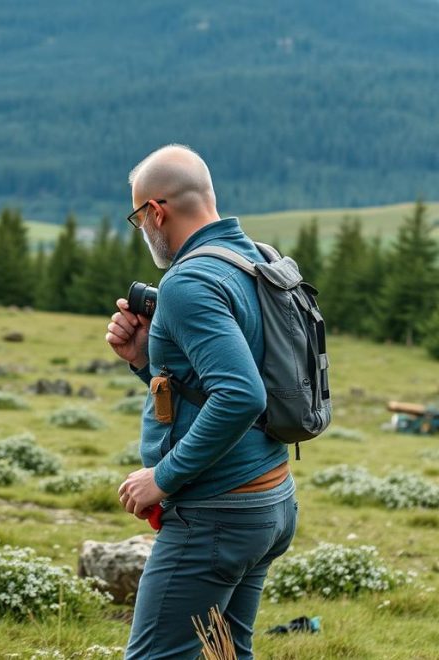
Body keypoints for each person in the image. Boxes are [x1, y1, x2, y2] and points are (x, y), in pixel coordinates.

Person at [105, 144, 298, 659]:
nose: (142, 228)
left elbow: (240, 394)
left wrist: (161, 477)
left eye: (137, 217)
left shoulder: (189, 281)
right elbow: (217, 378)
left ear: (156, 212)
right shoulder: (254, 258)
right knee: (224, 655)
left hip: (217, 515)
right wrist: (145, 359)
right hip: (269, 499)